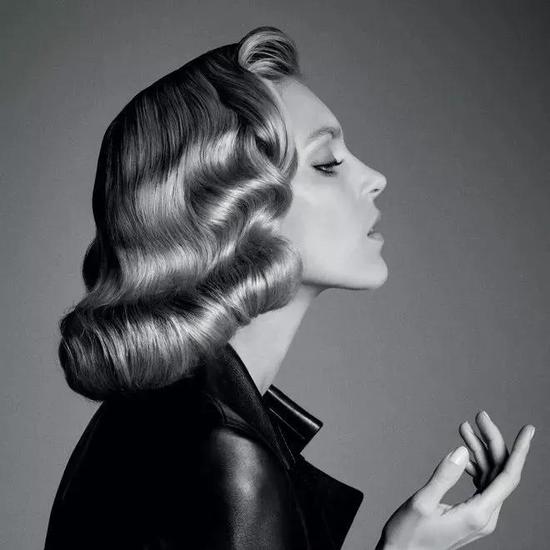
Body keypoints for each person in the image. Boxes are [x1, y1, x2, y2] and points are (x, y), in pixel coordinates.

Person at [44, 26, 535, 550]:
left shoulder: (153, 420)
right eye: (327, 163)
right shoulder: (227, 457)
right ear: (232, 213)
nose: (376, 178)